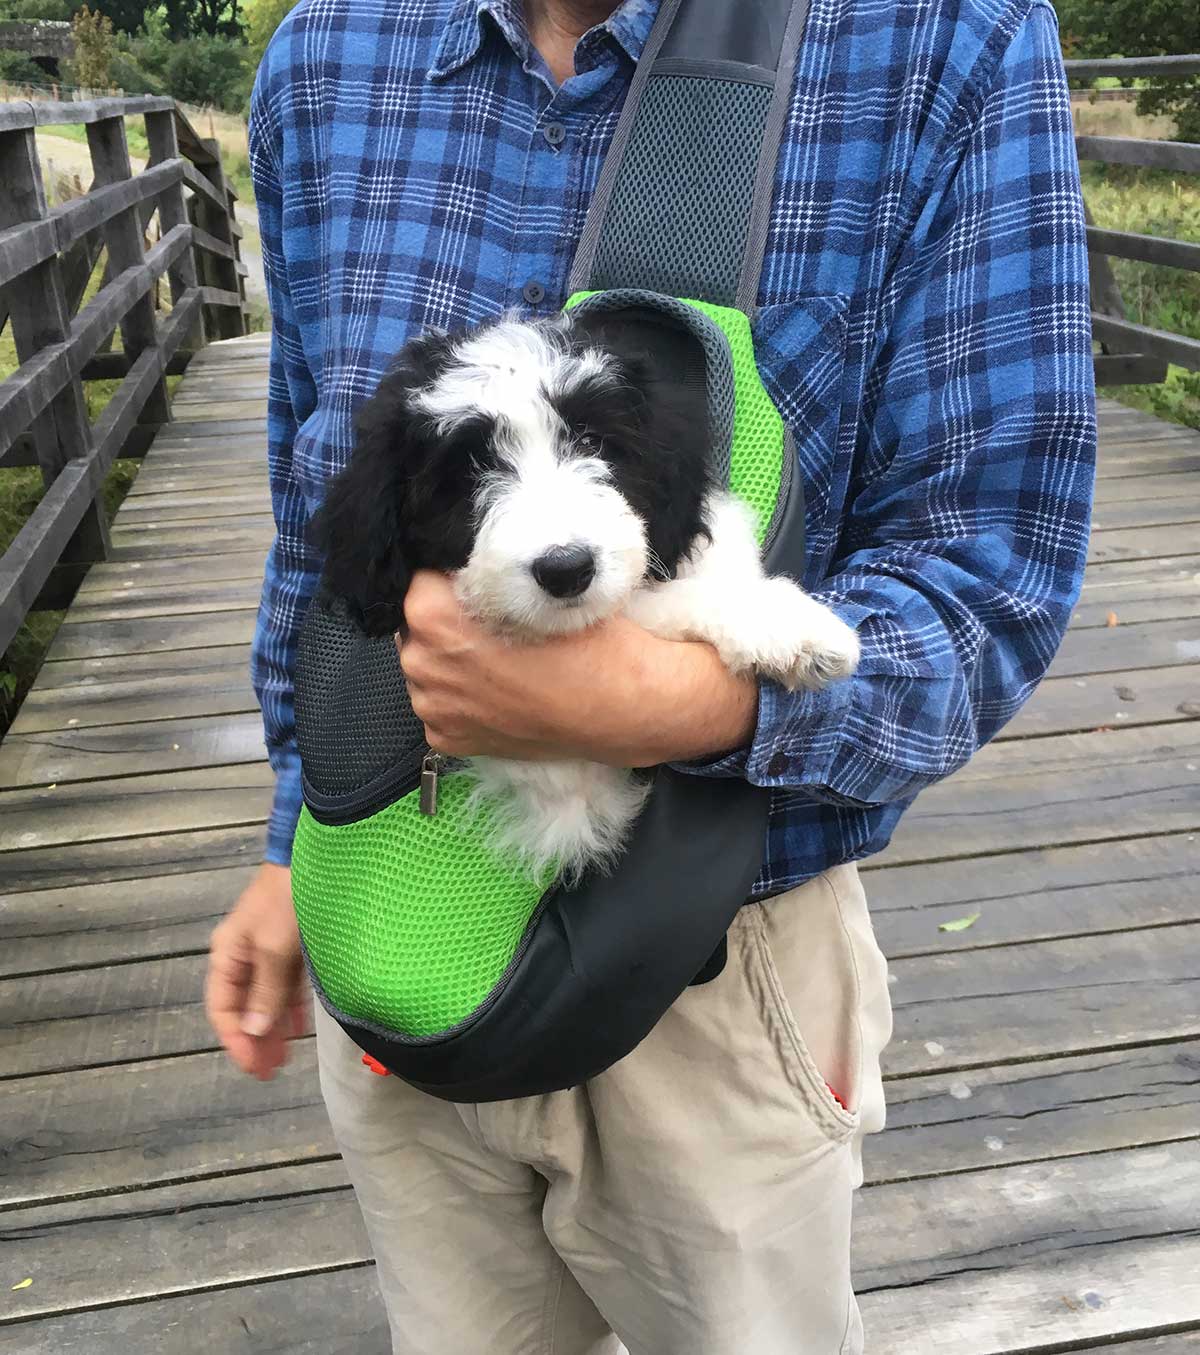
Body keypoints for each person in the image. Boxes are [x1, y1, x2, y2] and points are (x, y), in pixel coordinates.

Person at [205, 0, 1096, 1349]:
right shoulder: (325, 55)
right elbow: (310, 505)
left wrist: (686, 701)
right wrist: (291, 839)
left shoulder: (942, 38)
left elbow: (997, 568)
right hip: (396, 907)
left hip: (711, 965)